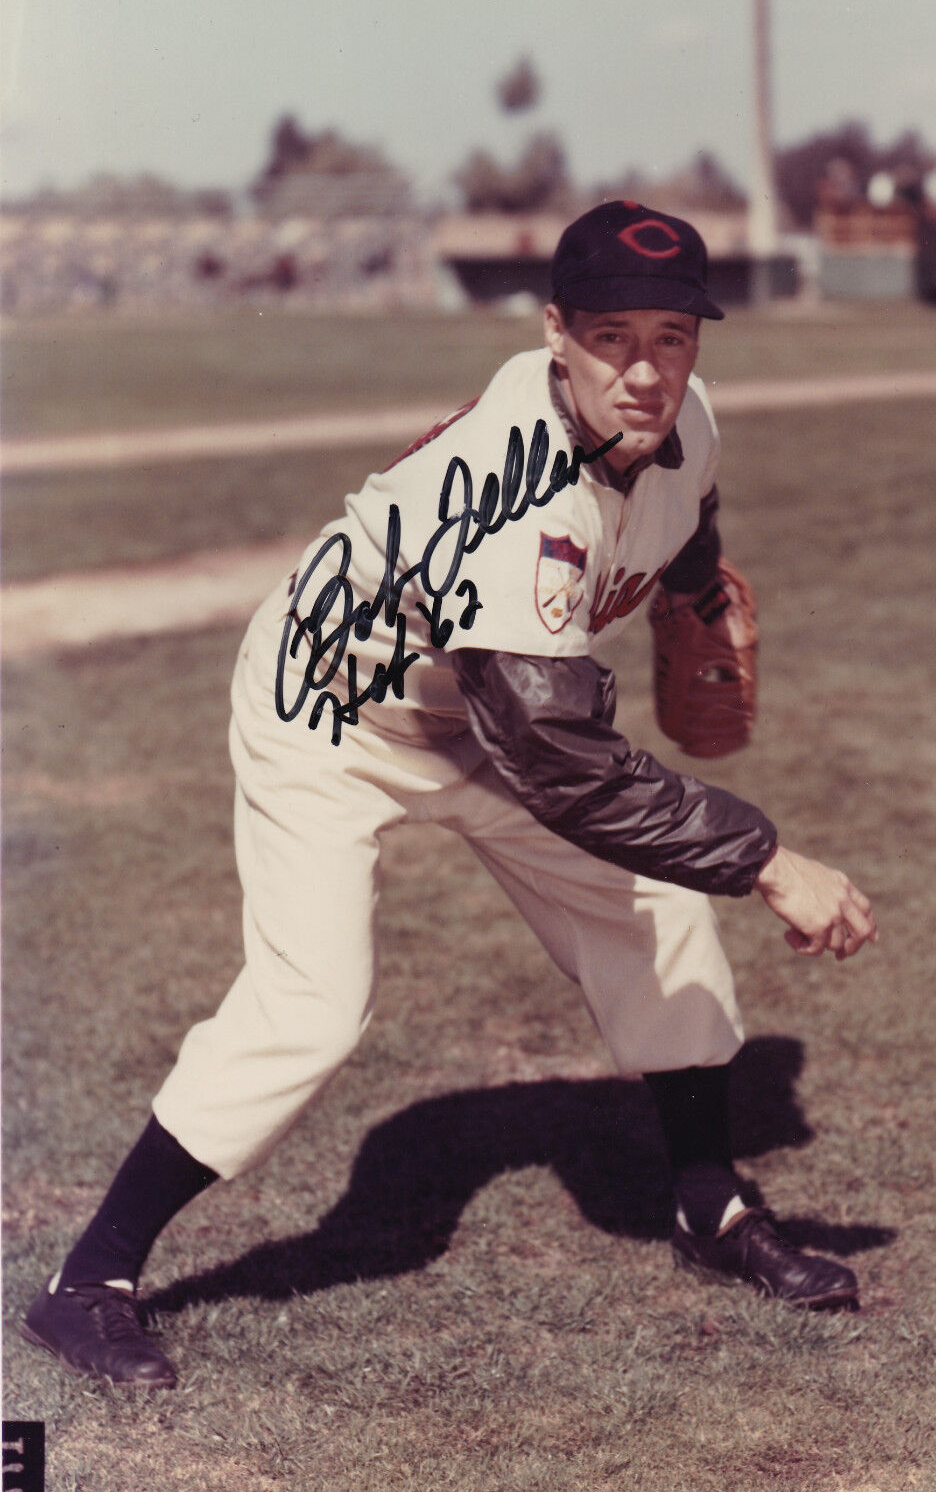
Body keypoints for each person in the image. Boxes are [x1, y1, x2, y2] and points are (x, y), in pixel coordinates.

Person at [22, 201, 878, 1390]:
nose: (645, 370)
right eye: (611, 336)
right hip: (332, 708)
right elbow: (565, 767)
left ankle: (707, 1209)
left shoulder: (683, 418)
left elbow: (691, 511)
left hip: (484, 709)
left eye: (672, 337)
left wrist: (688, 591)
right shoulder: (519, 502)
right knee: (312, 1004)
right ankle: (87, 1283)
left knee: (660, 917)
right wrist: (770, 859)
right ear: (554, 334)